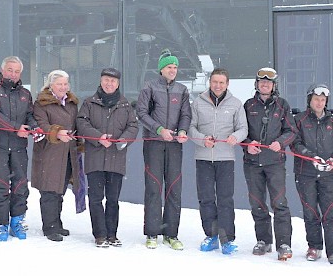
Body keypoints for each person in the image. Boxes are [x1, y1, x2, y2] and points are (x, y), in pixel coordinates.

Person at [0, 56, 43, 242]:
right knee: (1, 184)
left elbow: (30, 115)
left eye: (16, 71)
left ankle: (17, 220)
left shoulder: (25, 93)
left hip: (18, 146)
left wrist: (33, 127)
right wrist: (16, 127)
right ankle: (1, 223)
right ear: (3, 69)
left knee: (20, 183)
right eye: (10, 70)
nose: (13, 74)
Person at [136, 49, 192, 250]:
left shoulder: (182, 90)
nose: (173, 70)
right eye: (169, 66)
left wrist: (183, 130)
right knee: (154, 187)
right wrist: (159, 129)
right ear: (161, 69)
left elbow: (186, 114)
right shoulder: (149, 87)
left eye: (175, 67)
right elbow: (141, 113)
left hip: (175, 144)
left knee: (174, 188)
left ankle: (171, 233)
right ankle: (152, 232)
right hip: (154, 142)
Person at [76, 67, 138, 248]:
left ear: (118, 84)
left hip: (116, 158)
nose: (109, 84)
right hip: (95, 159)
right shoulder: (89, 102)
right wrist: (98, 137)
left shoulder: (126, 105)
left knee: (113, 199)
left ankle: (112, 234)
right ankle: (100, 234)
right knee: (95, 198)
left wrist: (123, 140)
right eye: (106, 80)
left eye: (113, 81)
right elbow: (81, 123)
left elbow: (133, 127)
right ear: (101, 81)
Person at [188, 68, 248, 255]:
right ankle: (211, 236)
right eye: (215, 82)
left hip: (225, 158)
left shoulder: (236, 104)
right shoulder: (198, 103)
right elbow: (190, 128)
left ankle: (227, 239)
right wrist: (202, 139)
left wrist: (235, 137)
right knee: (206, 199)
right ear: (210, 82)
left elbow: (243, 128)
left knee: (225, 199)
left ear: (227, 84)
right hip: (204, 158)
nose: (218, 85)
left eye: (221, 82)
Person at [242, 67, 298, 261]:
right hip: (252, 162)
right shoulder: (248, 105)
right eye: (261, 81)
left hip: (274, 163)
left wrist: (280, 142)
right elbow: (241, 131)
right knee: (257, 203)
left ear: (274, 86)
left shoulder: (282, 105)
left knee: (279, 203)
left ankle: (284, 243)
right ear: (257, 84)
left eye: (268, 82)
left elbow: (291, 131)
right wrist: (248, 144)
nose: (265, 84)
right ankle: (263, 240)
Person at [31, 69, 80, 242]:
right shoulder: (41, 103)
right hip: (49, 153)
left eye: (65, 83)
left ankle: (57, 223)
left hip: (67, 154)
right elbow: (41, 123)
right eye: (59, 84)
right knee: (49, 191)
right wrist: (57, 132)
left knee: (60, 190)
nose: (63, 87)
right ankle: (50, 227)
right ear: (51, 85)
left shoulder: (72, 103)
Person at [290, 84, 333, 264]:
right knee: (310, 211)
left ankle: (331, 251)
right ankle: (314, 247)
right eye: (316, 99)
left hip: (328, 174)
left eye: (323, 100)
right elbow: (294, 143)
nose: (319, 103)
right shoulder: (299, 119)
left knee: (329, 212)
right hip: (305, 172)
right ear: (310, 100)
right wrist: (310, 157)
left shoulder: (331, 119)